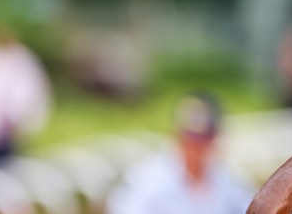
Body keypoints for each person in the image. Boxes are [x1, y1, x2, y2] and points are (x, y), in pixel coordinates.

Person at [105, 92, 255, 214]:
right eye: (191, 138)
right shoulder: (146, 180)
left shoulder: (227, 181)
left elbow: (252, 207)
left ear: (214, 139)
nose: (196, 146)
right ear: (178, 135)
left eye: (203, 139)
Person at [0, 25, 51, 165]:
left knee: (15, 166)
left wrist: (28, 121)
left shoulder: (23, 58)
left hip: (15, 127)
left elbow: (31, 92)